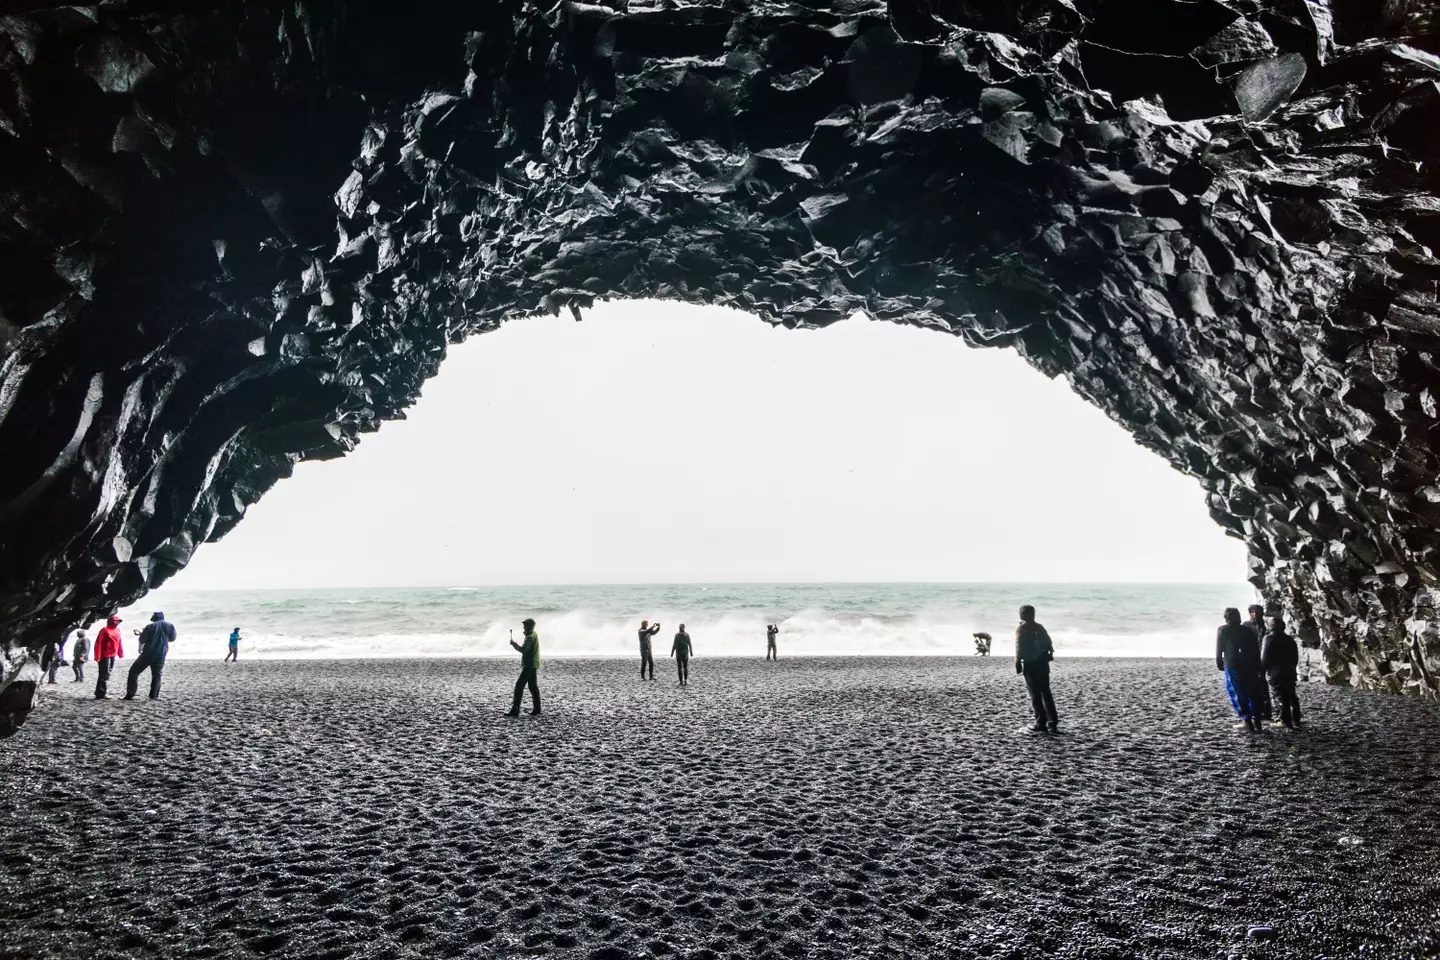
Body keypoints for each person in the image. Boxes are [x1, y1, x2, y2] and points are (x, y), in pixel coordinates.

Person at [1217, 607, 1264, 731]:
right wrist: (1258, 665)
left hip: (1232, 664)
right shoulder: (1247, 630)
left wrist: (1219, 662)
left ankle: (1246, 720)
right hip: (1249, 664)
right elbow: (1255, 649)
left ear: (1226, 617)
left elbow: (1219, 648)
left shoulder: (1223, 629)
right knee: (1252, 691)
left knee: (1237, 692)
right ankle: (1256, 720)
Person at [1015, 605, 1059, 732]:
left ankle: (1040, 723)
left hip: (1030, 663)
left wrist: (1017, 663)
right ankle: (1053, 722)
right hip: (1043, 662)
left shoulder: (1021, 628)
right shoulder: (1039, 627)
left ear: (1022, 615)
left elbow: (1019, 647)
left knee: (1035, 694)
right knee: (1046, 692)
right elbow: (1049, 643)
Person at [1261, 613, 1301, 729]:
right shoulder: (1290, 640)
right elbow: (1295, 658)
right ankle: (1295, 720)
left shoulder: (1268, 638)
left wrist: (1261, 671)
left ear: (1271, 626)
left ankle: (1285, 720)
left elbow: (1264, 658)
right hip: (1289, 671)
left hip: (1275, 672)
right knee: (1291, 695)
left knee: (1279, 696)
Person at [125, 611, 176, 701]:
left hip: (148, 652)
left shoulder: (150, 626)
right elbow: (172, 638)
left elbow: (142, 640)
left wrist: (142, 633)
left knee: (134, 672)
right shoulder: (170, 625)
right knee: (157, 674)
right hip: (162, 652)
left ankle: (130, 694)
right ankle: (154, 695)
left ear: (155, 617)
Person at [506, 618, 541, 717]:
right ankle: (537, 709)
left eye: (525, 626)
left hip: (529, 665)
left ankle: (515, 710)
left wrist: (514, 644)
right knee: (533, 687)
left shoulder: (530, 637)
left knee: (519, 686)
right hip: (534, 663)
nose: (523, 628)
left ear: (529, 627)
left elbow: (523, 650)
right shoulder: (534, 634)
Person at [1246, 604, 1274, 722]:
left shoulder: (1266, 625)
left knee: (1263, 684)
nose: (1254, 614)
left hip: (1264, 658)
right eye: (1252, 612)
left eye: (1256, 612)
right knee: (1252, 685)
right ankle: (1256, 710)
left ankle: (1266, 711)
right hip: (1251, 658)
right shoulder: (1246, 625)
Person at [93, 615, 124, 700]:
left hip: (112, 655)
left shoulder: (118, 630)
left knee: (107, 673)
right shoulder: (104, 630)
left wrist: (120, 653)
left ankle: (99, 692)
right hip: (104, 655)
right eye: (115, 621)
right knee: (103, 674)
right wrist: (97, 656)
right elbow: (98, 643)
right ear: (110, 621)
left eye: (118, 621)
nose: (117, 622)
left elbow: (119, 641)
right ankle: (101, 693)